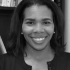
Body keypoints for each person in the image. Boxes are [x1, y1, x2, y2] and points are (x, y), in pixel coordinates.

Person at [0, 0, 70, 70]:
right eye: (30, 23)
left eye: (46, 22)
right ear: (20, 27)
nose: (38, 30)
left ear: (55, 27)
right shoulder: (4, 63)